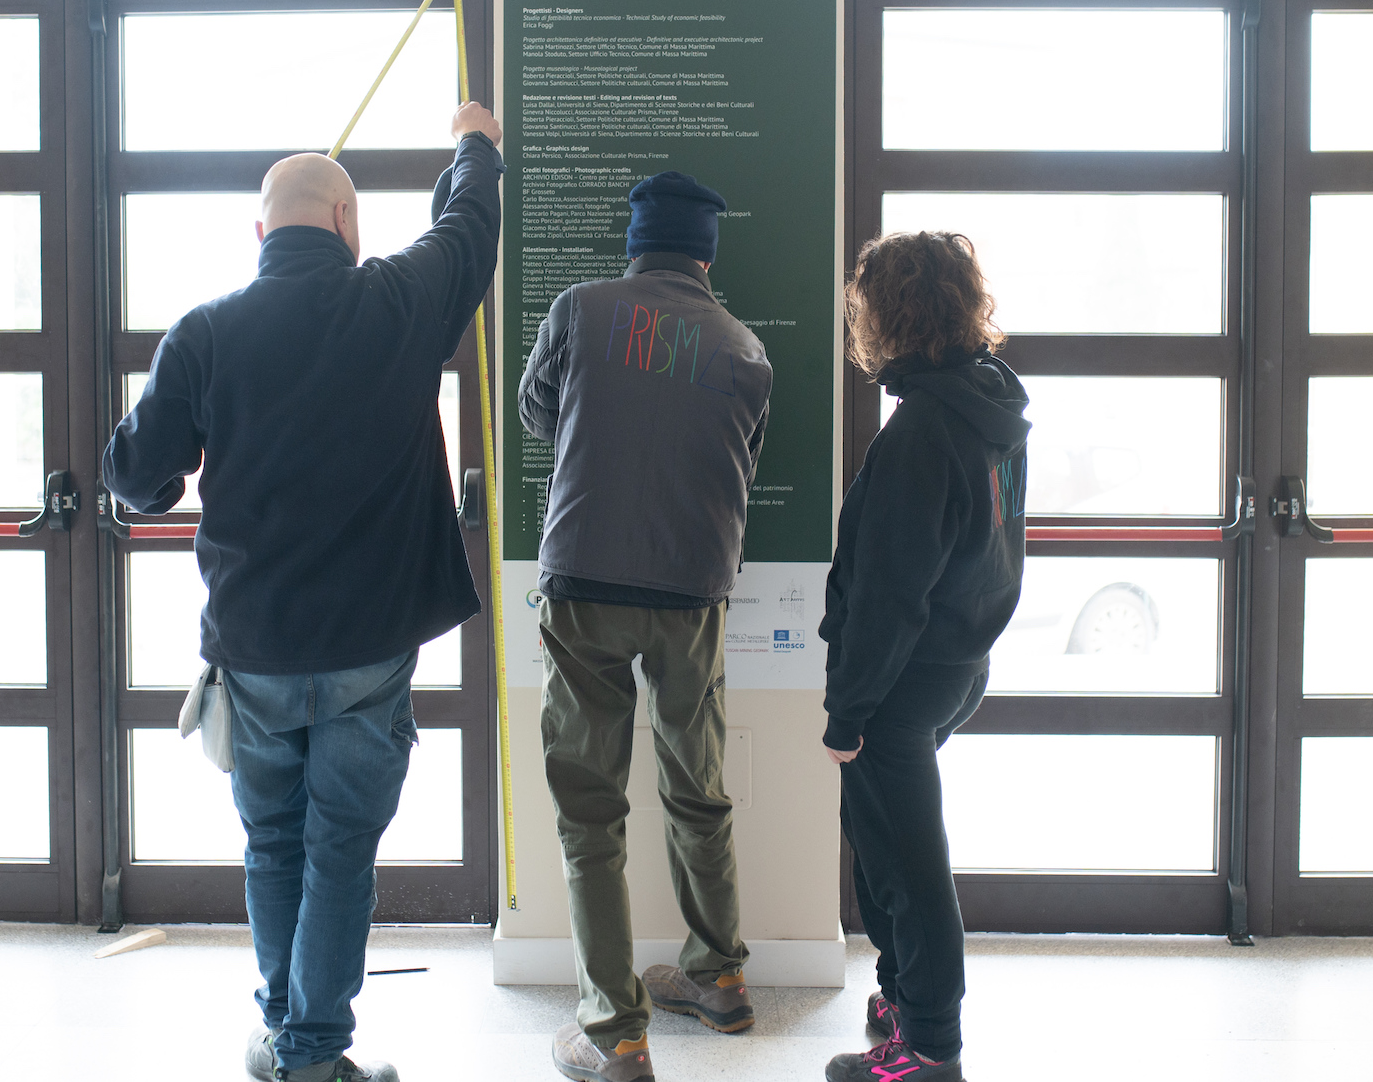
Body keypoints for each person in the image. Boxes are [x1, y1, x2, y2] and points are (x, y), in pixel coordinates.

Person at [102, 101, 504, 1082]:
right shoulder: (400, 299)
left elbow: (134, 476)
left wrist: (161, 472)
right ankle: (311, 1051)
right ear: (346, 224)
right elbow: (468, 232)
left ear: (258, 232)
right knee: (338, 852)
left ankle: (286, 1030)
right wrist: (472, 145)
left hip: (256, 648)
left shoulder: (205, 332)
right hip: (368, 648)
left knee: (273, 839)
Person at [517, 171, 773, 1082]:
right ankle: (721, 975)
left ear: (635, 241)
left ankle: (616, 1030)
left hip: (584, 578)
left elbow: (539, 410)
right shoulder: (745, 349)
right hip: (693, 592)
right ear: (707, 253)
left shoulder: (580, 309)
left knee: (591, 809)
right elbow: (740, 460)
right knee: (697, 789)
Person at [818, 231, 1030, 1082]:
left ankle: (930, 1047)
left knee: (906, 862)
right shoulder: (993, 403)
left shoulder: (921, 432)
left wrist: (848, 711)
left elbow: (889, 594)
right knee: (886, 846)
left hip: (902, 684)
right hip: (956, 667)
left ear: (887, 316)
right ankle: (901, 995)